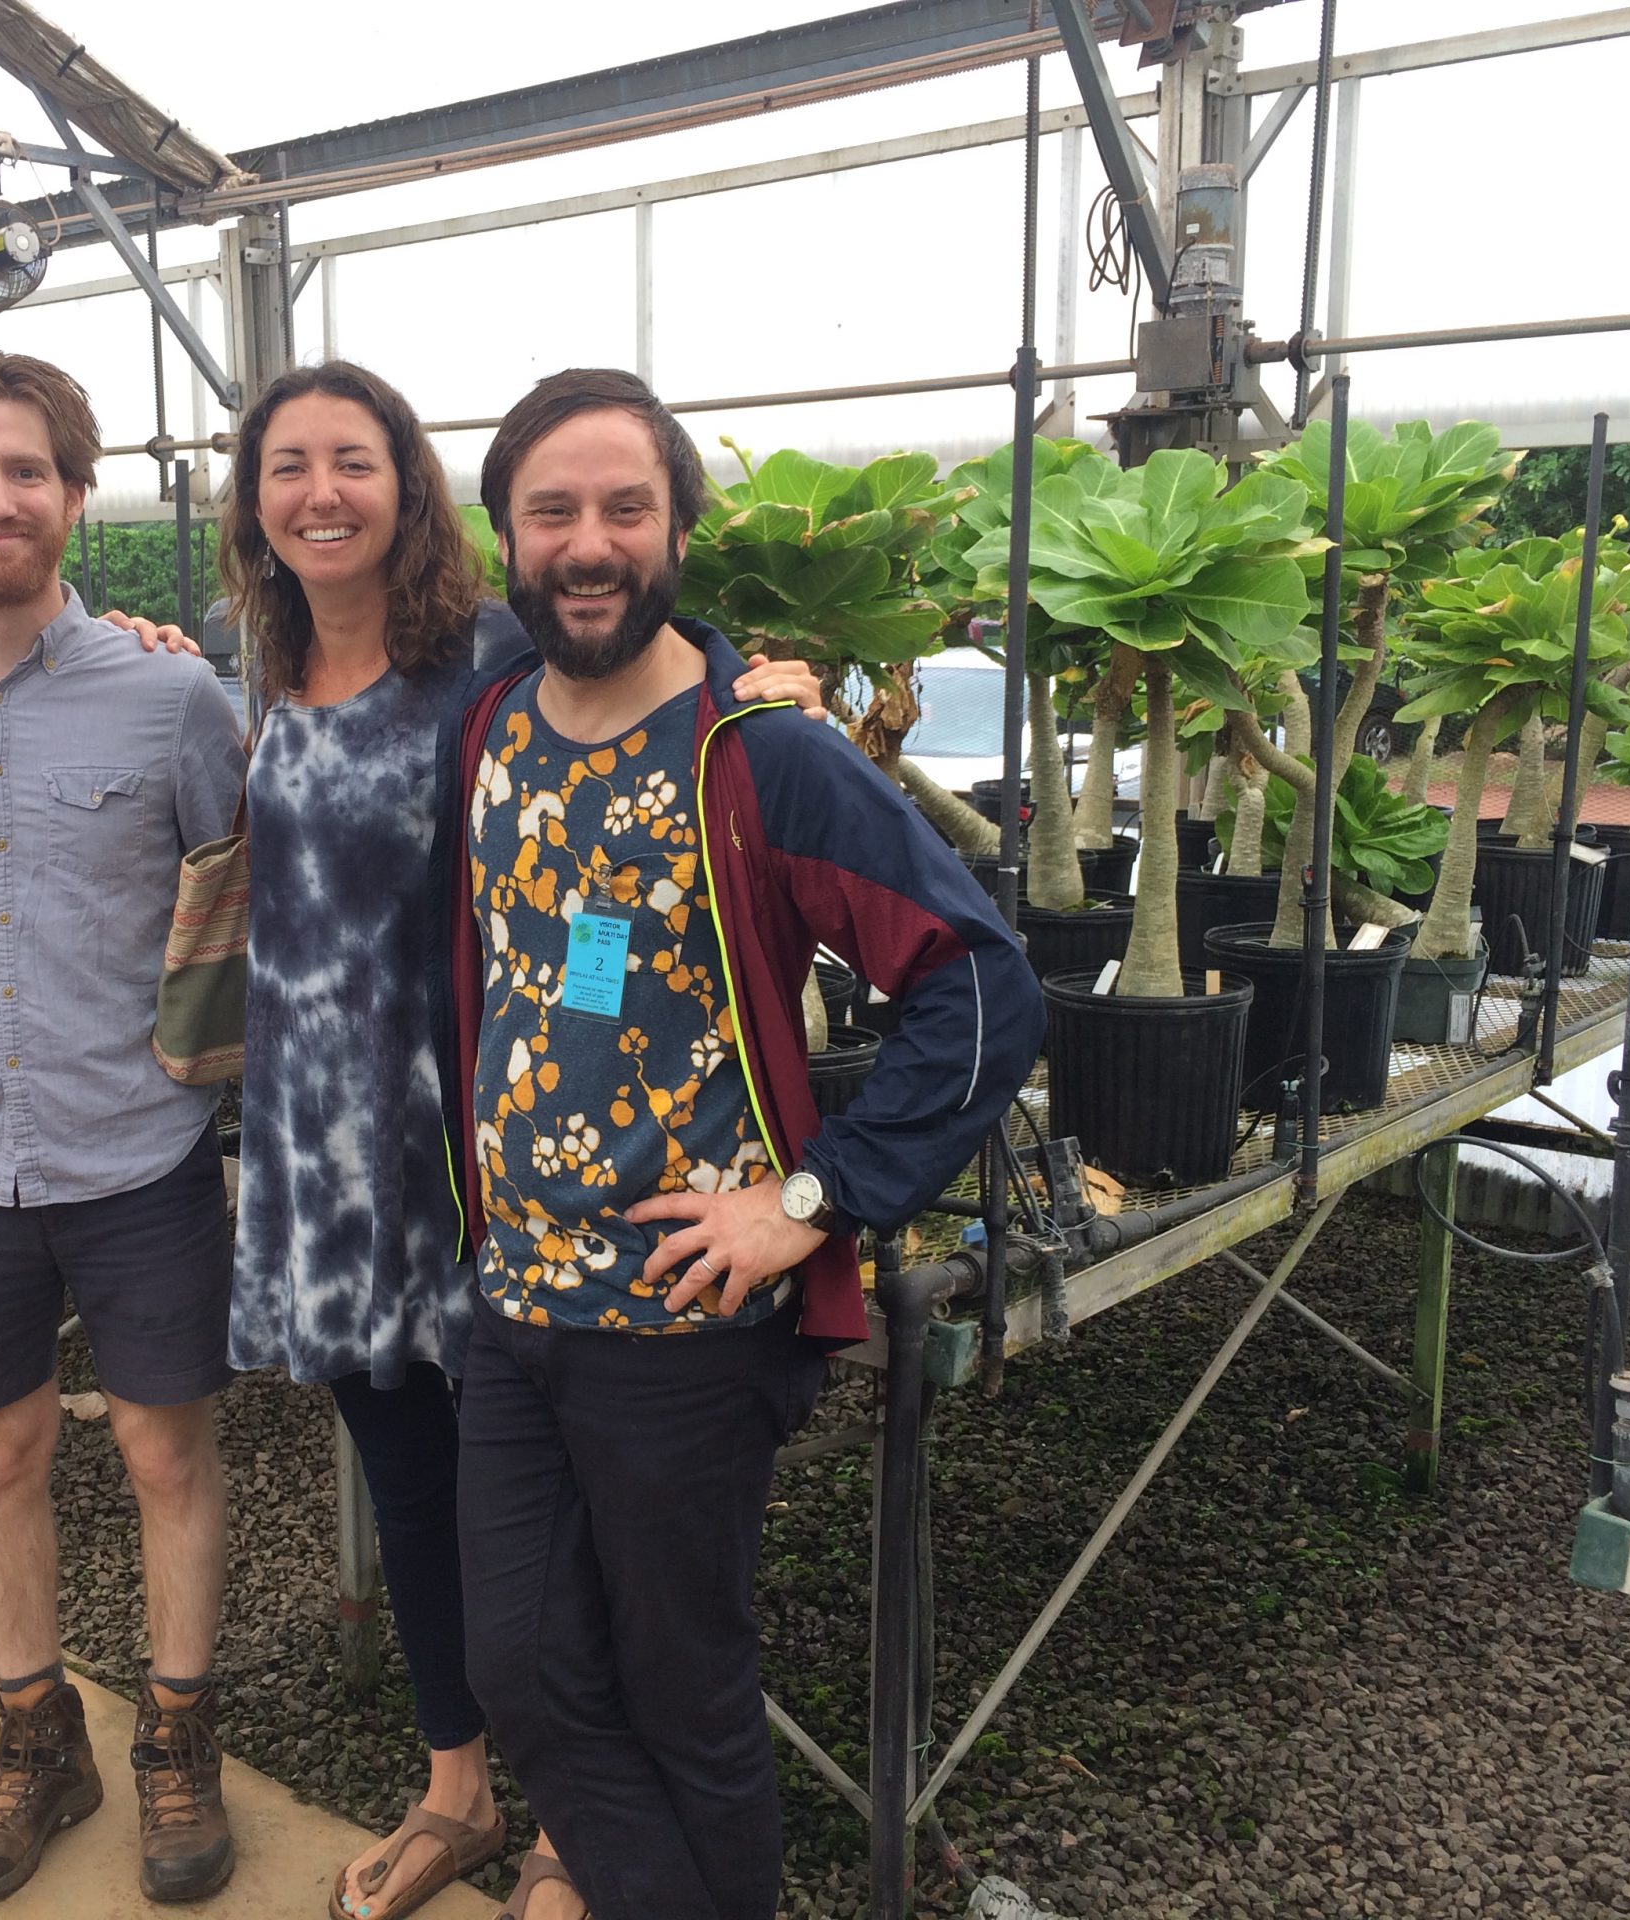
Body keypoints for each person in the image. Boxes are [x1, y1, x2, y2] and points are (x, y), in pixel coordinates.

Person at [128, 360, 819, 1920]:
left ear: (412, 487)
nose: (320, 492)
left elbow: (638, 667)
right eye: (286, 465)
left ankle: (583, 1830)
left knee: (548, 1496)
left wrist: (754, 688)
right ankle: (462, 1789)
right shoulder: (264, 657)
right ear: (252, 502)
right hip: (323, 1150)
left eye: (353, 461)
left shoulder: (491, 652)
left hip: (483, 1143)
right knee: (413, 1478)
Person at [440, 369, 1046, 1920]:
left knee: (685, 1688)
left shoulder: (765, 757)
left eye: (623, 510)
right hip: (514, 1303)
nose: (588, 544)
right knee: (518, 1662)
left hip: (683, 1314)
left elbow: (976, 983)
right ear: (505, 536)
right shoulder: (497, 728)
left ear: (677, 534)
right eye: (552, 511)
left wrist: (817, 1198)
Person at [0, 343, 245, 1906]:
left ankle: (176, 1738)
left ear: (79, 495)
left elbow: (238, 893)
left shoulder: (170, 691)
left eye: (26, 469)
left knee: (164, 1446)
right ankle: (39, 1739)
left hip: (136, 1140)